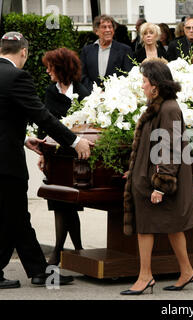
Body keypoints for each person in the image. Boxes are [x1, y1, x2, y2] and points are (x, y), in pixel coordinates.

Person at [0, 32, 93, 289]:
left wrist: (23, 139)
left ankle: (40, 272)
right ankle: (40, 272)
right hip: (6, 164)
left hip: (6, 156)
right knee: (15, 216)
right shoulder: (17, 77)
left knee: (13, 218)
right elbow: (43, 116)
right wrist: (75, 141)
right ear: (24, 52)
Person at [120, 59, 193, 295]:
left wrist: (161, 184)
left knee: (146, 226)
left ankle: (145, 277)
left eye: (144, 81)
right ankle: (187, 272)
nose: (141, 85)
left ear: (154, 84)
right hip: (151, 175)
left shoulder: (169, 108)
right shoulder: (159, 106)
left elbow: (171, 147)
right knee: (171, 226)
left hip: (160, 178)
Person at [37, 48, 90, 266]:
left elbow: (87, 124)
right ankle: (70, 251)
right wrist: (43, 152)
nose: (48, 72)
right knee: (59, 202)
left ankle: (64, 251)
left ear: (61, 68)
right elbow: (44, 122)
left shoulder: (83, 92)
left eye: (51, 68)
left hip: (74, 156)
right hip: (56, 156)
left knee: (69, 203)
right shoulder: (50, 91)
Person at [80, 15, 134, 92]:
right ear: (96, 31)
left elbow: (127, 75)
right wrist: (95, 91)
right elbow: (82, 75)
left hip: (116, 95)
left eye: (110, 27)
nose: (108, 30)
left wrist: (111, 91)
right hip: (92, 96)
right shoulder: (87, 51)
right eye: (104, 27)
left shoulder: (124, 50)